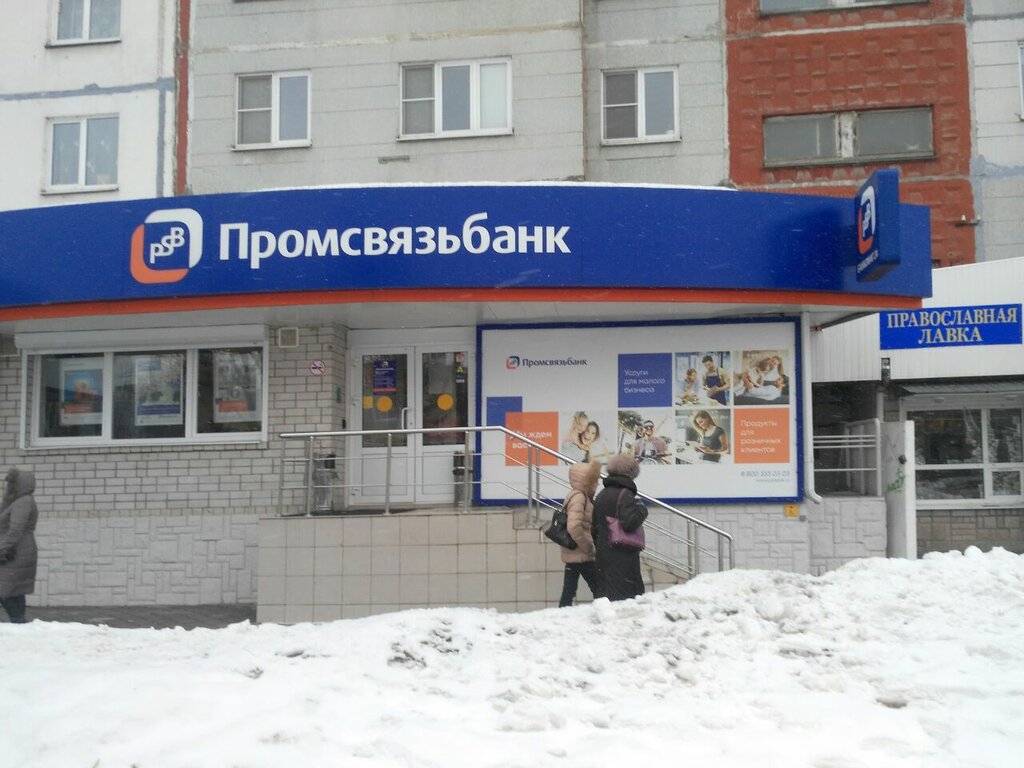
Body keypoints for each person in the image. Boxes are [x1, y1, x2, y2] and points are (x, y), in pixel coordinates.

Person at [591, 454, 648, 601]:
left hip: (604, 553)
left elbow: (594, 527)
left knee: (607, 597)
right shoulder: (625, 494)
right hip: (622, 555)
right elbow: (629, 523)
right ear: (630, 474)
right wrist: (642, 510)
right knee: (625, 599)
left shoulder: (602, 494)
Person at [557, 460, 605, 607]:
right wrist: (588, 546)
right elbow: (573, 526)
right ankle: (604, 612)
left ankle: (562, 614)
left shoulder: (575, 495)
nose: (597, 484)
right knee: (599, 588)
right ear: (586, 481)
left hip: (574, 551)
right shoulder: (580, 497)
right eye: (594, 480)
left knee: (569, 590)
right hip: (581, 553)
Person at [0, 467, 39, 624]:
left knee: (6, 590)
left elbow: (16, 529)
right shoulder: (20, 501)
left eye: (11, 483)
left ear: (19, 484)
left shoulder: (22, 502)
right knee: (13, 590)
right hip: (16, 549)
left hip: (15, 551)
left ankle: (19, 623)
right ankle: (20, 624)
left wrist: (2, 548)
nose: (8, 487)